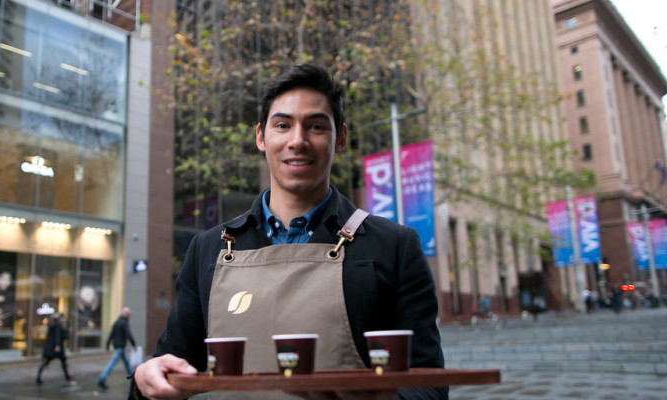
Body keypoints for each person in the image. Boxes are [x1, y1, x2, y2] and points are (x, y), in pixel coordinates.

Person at [131, 64, 447, 399]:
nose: (298, 141)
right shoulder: (207, 249)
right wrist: (143, 382)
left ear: (340, 139)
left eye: (315, 126)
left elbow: (426, 385)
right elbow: (173, 368)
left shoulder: (394, 246)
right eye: (283, 125)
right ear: (261, 137)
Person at [98, 307, 137, 389]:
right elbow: (128, 334)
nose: (130, 317)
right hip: (120, 347)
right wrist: (134, 345)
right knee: (112, 362)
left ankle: (133, 378)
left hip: (118, 347)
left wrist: (107, 346)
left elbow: (111, 335)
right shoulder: (124, 323)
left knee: (126, 362)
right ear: (127, 315)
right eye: (129, 315)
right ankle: (102, 378)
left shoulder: (117, 322)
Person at [36, 313, 71, 384]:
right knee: (61, 361)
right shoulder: (58, 326)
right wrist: (57, 345)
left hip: (50, 348)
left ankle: (67, 376)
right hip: (56, 348)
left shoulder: (52, 326)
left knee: (60, 361)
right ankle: (67, 376)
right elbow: (58, 336)